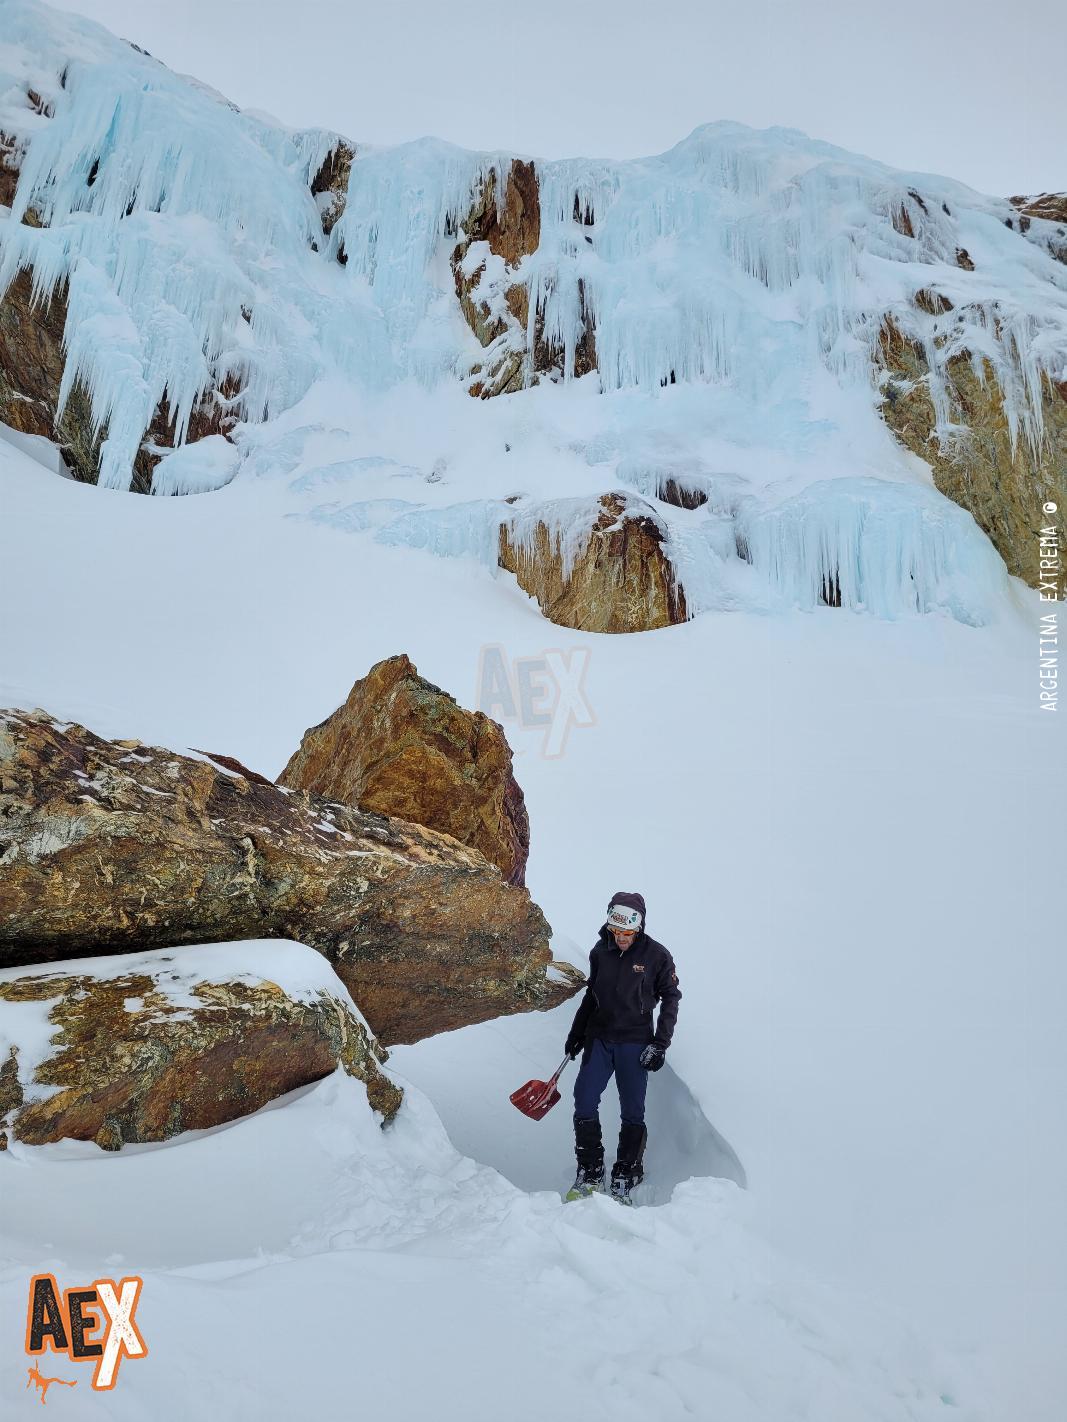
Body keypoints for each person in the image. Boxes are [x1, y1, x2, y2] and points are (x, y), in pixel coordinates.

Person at [564, 891, 681, 1201]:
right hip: (599, 1039)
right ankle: (591, 1170)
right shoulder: (599, 952)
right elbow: (592, 997)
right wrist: (576, 1034)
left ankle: (627, 1172)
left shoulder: (657, 956)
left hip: (635, 1042)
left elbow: (671, 997)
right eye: (617, 932)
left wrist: (660, 1043)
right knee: (584, 1100)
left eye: (628, 933)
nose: (622, 939)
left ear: (638, 928)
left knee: (632, 1110)